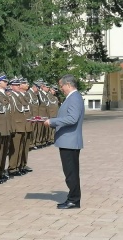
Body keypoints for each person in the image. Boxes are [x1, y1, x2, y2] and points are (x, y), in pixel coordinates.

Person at [44, 74, 84, 209]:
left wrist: (52, 122)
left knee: (71, 172)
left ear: (68, 85)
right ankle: (73, 198)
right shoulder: (73, 97)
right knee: (70, 172)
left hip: (70, 141)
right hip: (68, 140)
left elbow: (72, 118)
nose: (61, 89)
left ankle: (73, 199)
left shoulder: (74, 98)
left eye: (62, 86)